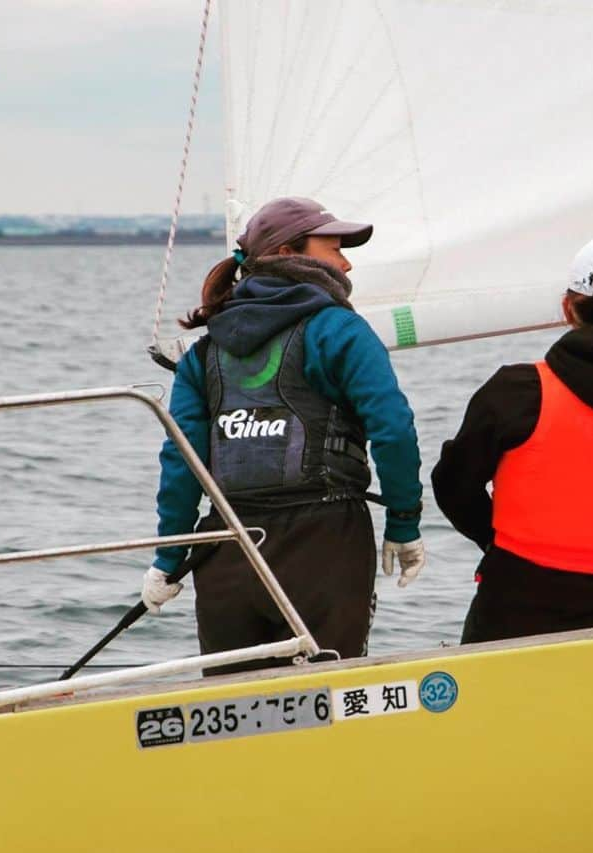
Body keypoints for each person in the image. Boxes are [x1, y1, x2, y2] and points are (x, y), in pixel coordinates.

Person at [141, 196, 424, 671]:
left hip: (229, 550)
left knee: (237, 715)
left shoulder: (202, 352)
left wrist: (170, 557)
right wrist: (404, 523)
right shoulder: (340, 331)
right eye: (333, 248)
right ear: (291, 254)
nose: (345, 261)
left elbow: (182, 461)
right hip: (325, 547)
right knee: (326, 707)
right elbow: (393, 430)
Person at [432, 236, 593, 644]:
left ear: (568, 308)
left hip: (518, 607)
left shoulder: (517, 391)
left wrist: (496, 540)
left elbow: (452, 484)